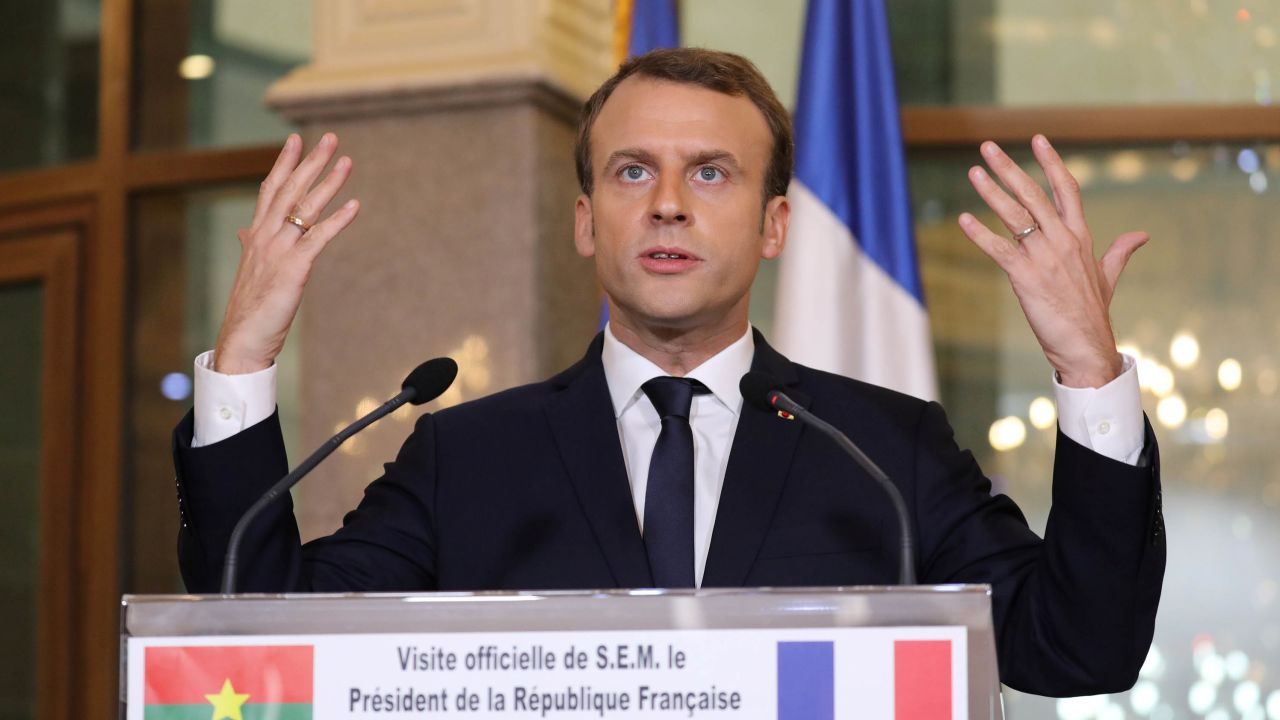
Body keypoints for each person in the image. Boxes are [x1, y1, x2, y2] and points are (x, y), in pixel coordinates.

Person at [173, 49, 1163, 696]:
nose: (668, 205)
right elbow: (255, 647)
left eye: (712, 172)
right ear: (584, 218)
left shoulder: (883, 449)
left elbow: (1077, 646)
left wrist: (1086, 368)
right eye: (631, 170)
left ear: (775, 225)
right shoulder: (465, 455)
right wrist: (247, 359)